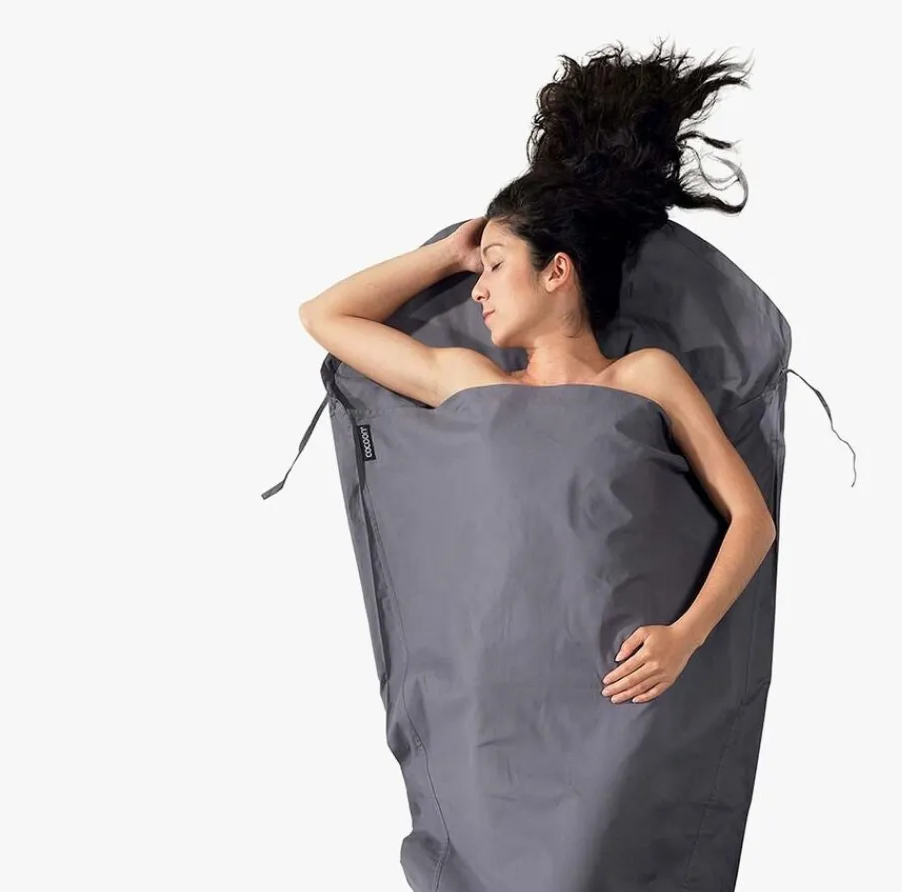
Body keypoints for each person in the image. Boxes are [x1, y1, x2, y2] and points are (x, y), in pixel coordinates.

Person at [299, 39, 776, 705]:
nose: (479, 288)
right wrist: (450, 255)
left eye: (495, 265)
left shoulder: (645, 377)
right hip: (496, 689)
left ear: (557, 271)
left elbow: (751, 518)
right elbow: (324, 316)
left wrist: (685, 636)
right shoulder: (471, 382)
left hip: (621, 688)